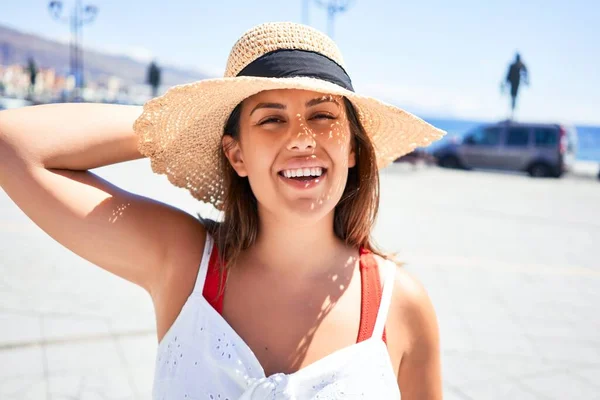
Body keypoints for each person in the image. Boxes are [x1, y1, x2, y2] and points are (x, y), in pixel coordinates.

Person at [0, 22, 445, 399]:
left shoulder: (400, 305)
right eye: (271, 119)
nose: (303, 138)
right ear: (236, 156)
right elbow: (13, 146)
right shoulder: (185, 263)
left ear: (352, 146)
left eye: (324, 116)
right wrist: (172, 127)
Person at [502, 52, 529, 118]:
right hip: (513, 83)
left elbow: (525, 72)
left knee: (514, 98)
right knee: (513, 98)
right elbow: (508, 75)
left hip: (516, 83)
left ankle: (512, 114)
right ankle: (511, 113)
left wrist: (525, 80)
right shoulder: (513, 65)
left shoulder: (520, 65)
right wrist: (505, 83)